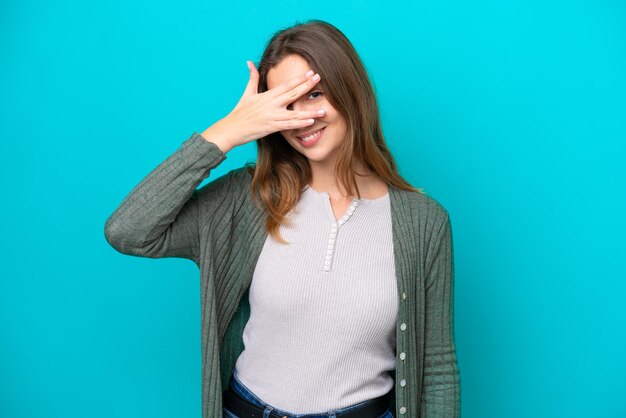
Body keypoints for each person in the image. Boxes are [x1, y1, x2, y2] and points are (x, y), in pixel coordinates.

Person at [104, 19, 460, 418]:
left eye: (314, 95)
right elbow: (128, 231)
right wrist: (226, 132)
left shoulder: (423, 222)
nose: (302, 119)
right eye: (285, 105)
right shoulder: (250, 197)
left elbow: (437, 368)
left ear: (351, 90)